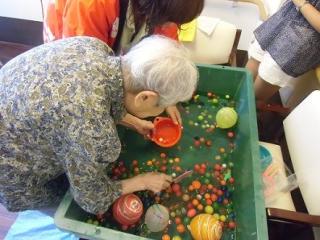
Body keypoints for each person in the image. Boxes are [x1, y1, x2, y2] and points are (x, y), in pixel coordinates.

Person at [0, 35, 198, 214]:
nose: (160, 111)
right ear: (145, 97)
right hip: (12, 171)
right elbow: (91, 199)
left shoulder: (94, 46)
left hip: (15, 108)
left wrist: (131, 121)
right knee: (62, 201)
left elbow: (100, 90)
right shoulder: (97, 135)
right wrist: (142, 181)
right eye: (161, 107)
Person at [43, 0, 204, 52]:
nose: (171, 26)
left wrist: (167, 95)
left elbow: (166, 52)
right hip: (71, 42)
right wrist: (124, 115)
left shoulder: (165, 10)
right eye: (169, 21)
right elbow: (84, 66)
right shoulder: (91, 5)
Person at [246, 0, 320, 103]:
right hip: (278, 23)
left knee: (253, 99)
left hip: (300, 43)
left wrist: (301, 3)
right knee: (244, 80)